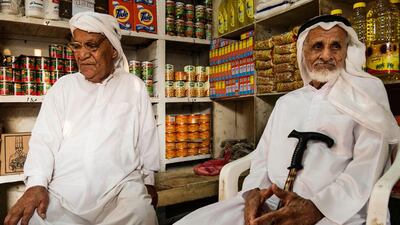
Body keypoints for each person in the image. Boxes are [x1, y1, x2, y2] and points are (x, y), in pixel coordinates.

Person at [175, 15, 399, 225]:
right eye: (318, 46)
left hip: (337, 210)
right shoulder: (287, 102)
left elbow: (367, 167)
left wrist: (317, 207)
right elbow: (262, 158)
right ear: (304, 53)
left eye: (336, 46)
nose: (326, 55)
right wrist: (254, 194)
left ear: (347, 53)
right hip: (271, 203)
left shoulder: (366, 94)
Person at [4, 12, 160, 225]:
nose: (82, 54)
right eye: (77, 46)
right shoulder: (63, 88)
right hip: (65, 192)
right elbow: (43, 142)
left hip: (120, 190)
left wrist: (149, 181)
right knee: (35, 219)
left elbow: (146, 137)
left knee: (143, 214)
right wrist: (37, 184)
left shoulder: (133, 86)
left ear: (113, 50)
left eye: (92, 46)